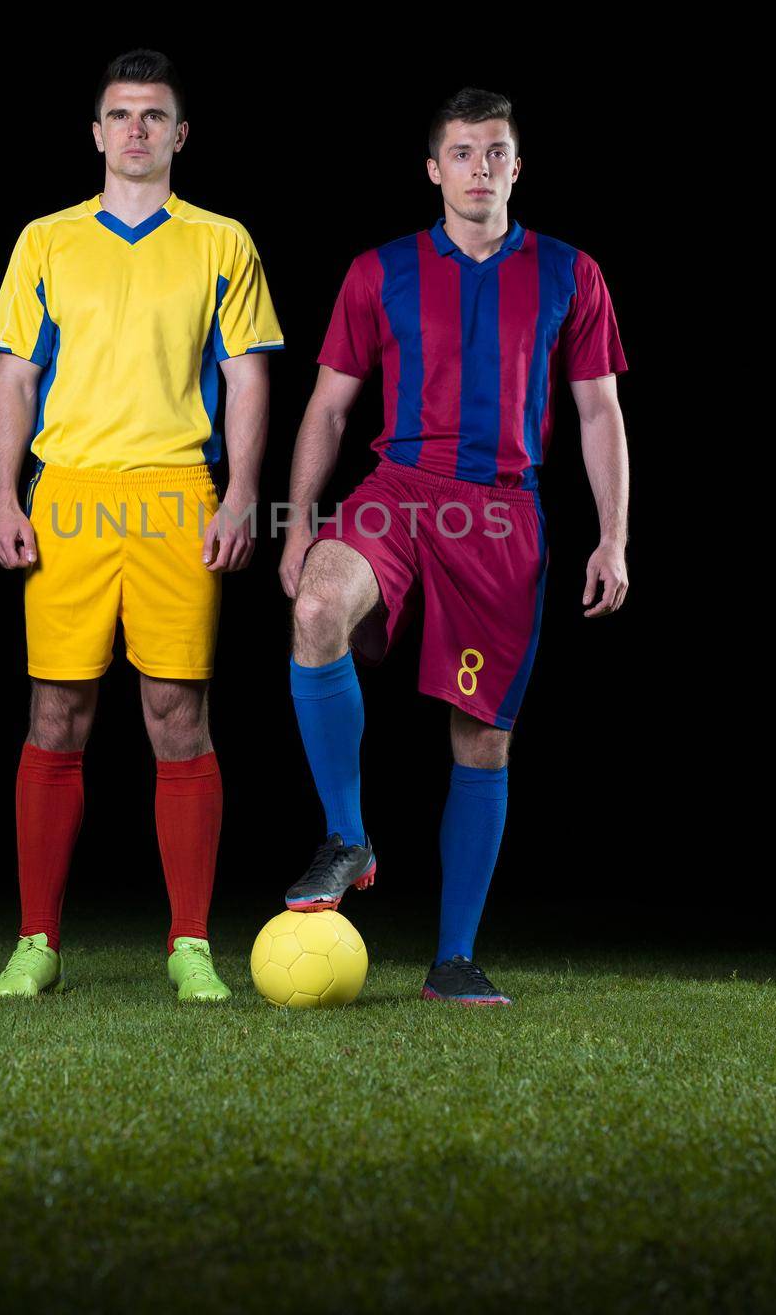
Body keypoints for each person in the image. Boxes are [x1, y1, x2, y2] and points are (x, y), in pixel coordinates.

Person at [278, 87, 628, 1006]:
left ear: (518, 165)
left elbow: (599, 412)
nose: (481, 168)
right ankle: (347, 836)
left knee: (481, 738)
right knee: (316, 606)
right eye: (463, 153)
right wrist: (301, 516)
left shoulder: (569, 272)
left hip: (503, 514)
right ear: (434, 169)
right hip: (399, 490)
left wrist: (614, 537)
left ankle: (453, 960)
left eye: (496, 152)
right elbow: (328, 404)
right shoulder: (378, 270)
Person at [0, 48, 283, 1001]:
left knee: (176, 714)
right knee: (56, 712)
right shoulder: (46, 240)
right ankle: (37, 942)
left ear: (180, 134)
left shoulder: (222, 241)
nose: (138, 129)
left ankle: (189, 943)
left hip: (175, 490)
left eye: (155, 115)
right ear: (99, 132)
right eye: (121, 114)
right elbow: (16, 376)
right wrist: (1, 494)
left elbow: (249, 375)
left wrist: (241, 495)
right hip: (67, 489)